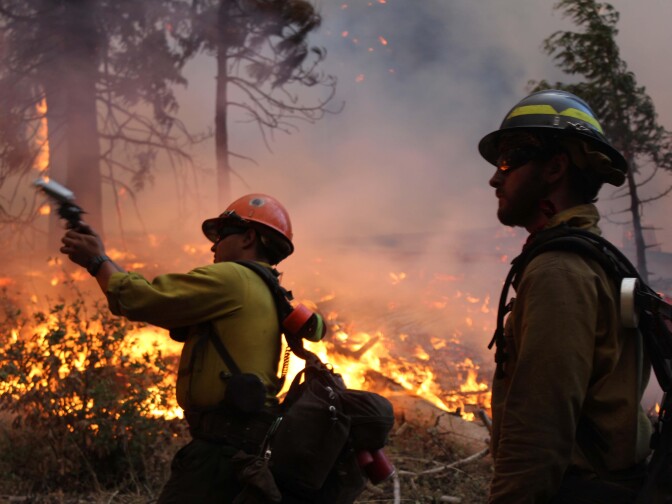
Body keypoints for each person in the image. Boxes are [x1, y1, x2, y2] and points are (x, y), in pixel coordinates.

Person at [60, 193, 310, 503]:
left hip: (221, 454)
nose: (213, 244)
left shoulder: (232, 278)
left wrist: (96, 261)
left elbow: (142, 299)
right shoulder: (265, 288)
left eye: (222, 234)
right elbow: (158, 300)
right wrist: (104, 258)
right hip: (244, 447)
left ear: (248, 237)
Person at [478, 89, 653, 503]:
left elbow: (540, 429)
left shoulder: (560, 271)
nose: (495, 177)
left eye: (508, 161)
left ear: (555, 168)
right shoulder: (590, 260)